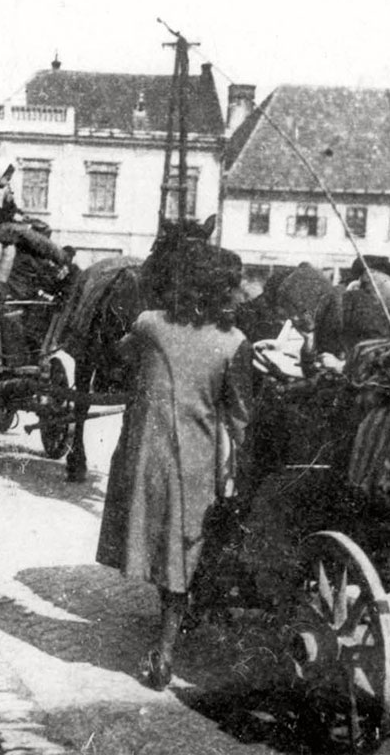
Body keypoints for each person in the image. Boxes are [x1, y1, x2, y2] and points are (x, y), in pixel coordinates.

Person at [96, 243, 252, 691]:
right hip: (194, 463)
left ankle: (167, 639)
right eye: (234, 286)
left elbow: (120, 356)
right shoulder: (234, 343)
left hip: (145, 457)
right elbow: (241, 417)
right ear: (220, 291)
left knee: (161, 541)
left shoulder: (149, 325)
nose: (240, 293)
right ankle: (164, 652)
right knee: (183, 551)